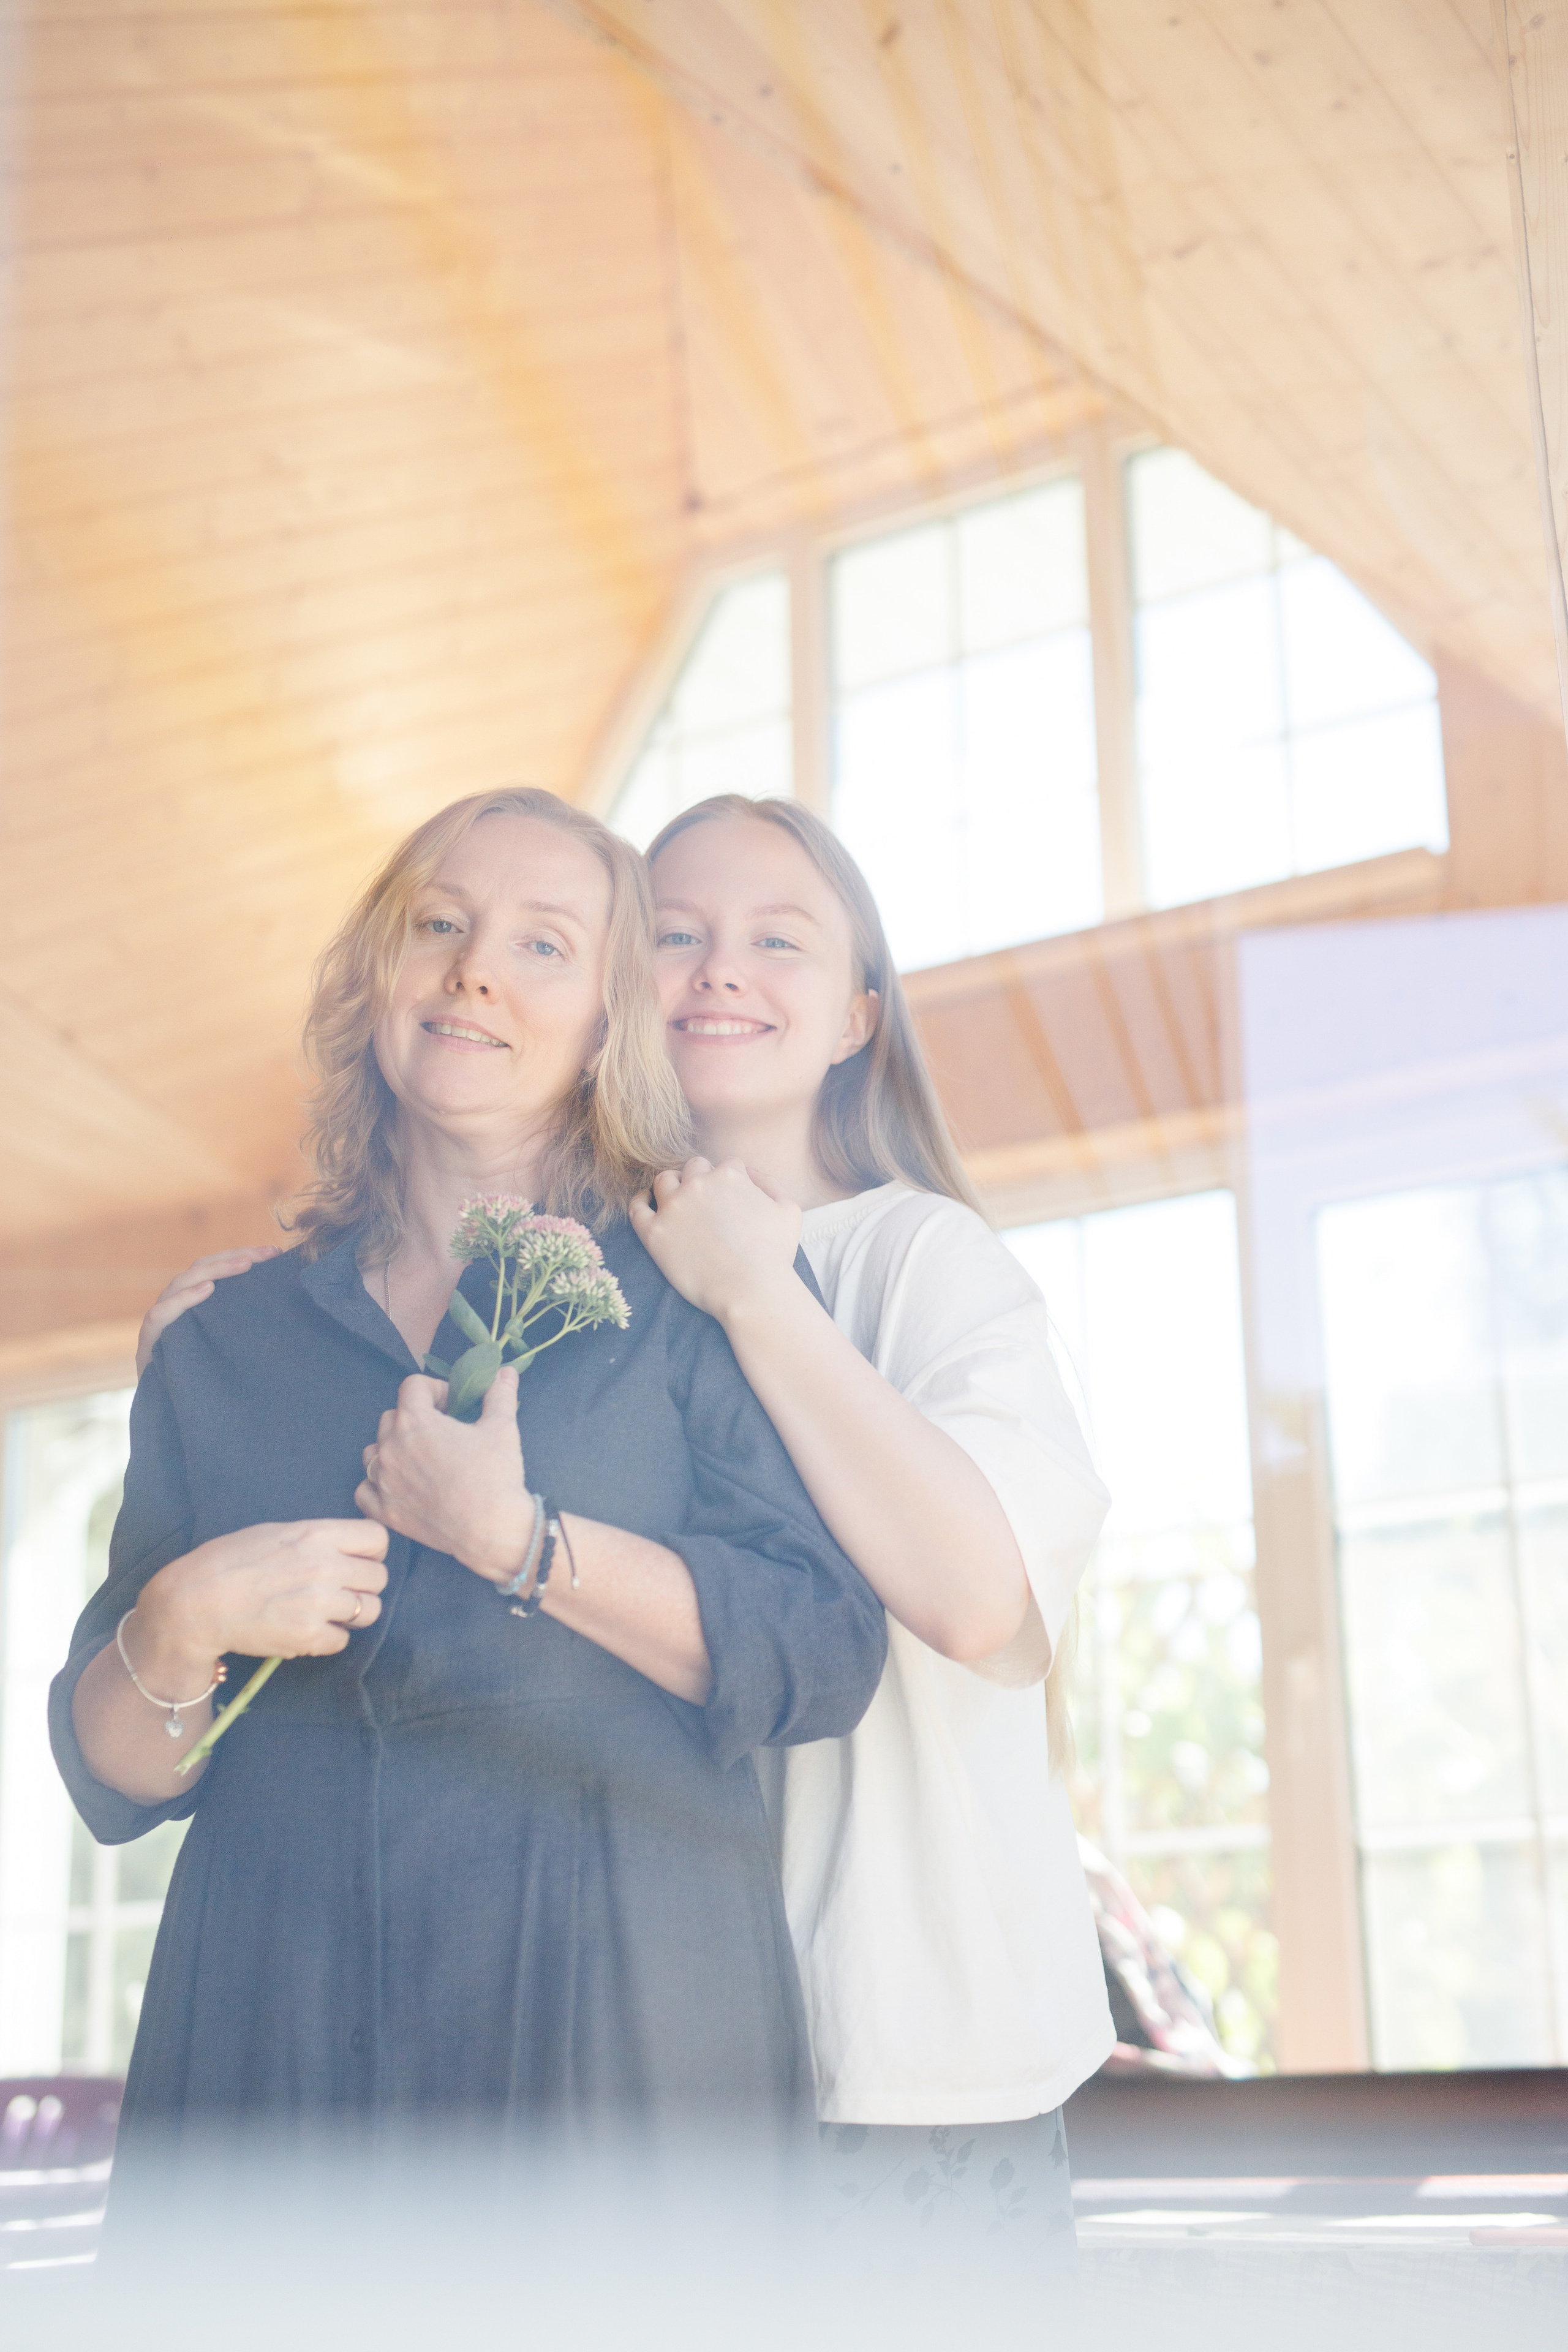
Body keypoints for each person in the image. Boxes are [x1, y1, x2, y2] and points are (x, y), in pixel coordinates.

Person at [137, 792, 1114, 2263]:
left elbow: (976, 1605)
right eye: (671, 935)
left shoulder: (910, 1260)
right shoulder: (560, 1273)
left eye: (775, 941)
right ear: (618, 1006)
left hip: (906, 2044)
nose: (718, 971)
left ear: (856, 1018)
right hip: (647, 2021)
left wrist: (753, 1295)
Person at [53, 788, 888, 2169]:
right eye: (439, 924)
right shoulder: (221, 1339)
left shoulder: (695, 1277)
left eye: (543, 946)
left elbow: (822, 1645)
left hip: (617, 2039)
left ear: (610, 1021)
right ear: (379, 975)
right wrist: (177, 1622)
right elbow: (118, 1776)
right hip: (276, 2047)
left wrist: (523, 1542)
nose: (475, 969)